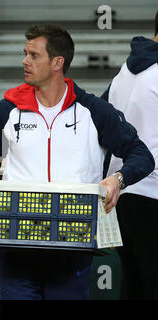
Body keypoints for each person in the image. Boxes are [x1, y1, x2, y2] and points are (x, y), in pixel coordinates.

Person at [0, 24, 155, 300]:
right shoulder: (8, 108)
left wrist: (118, 179)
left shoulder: (94, 110)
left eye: (33, 55)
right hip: (16, 243)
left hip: (72, 243)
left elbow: (142, 155)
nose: (24, 61)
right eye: (25, 53)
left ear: (58, 63)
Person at [102, 11, 158, 299]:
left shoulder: (122, 73)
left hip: (122, 196)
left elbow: (100, 125)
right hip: (151, 195)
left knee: (134, 284)